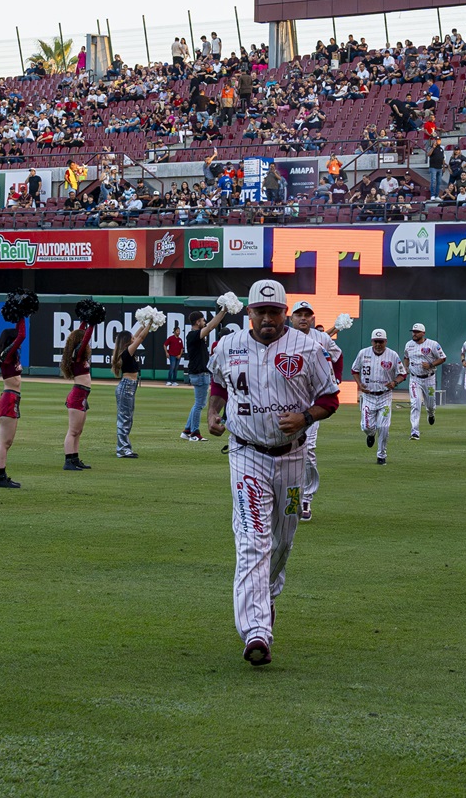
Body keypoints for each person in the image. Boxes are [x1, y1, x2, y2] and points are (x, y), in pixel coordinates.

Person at [205, 279, 339, 667]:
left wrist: (306, 416)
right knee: (253, 539)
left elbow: (329, 398)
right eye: (259, 311)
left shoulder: (308, 348)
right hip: (246, 454)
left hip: (295, 459)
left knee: (283, 539)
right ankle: (256, 631)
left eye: (274, 311)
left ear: (284, 314)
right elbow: (218, 382)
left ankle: (267, 597)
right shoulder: (228, 345)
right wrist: (214, 412)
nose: (267, 318)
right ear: (249, 313)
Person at [287, 301, 342, 521]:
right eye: (298, 314)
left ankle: (306, 499)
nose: (303, 318)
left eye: (306, 314)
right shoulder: (283, 337)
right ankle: (291, 499)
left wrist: (335, 379)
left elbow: (337, 356)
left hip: (312, 404)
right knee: (286, 453)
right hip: (287, 402)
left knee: (307, 452)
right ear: (291, 318)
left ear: (312, 318)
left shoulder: (322, 339)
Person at [0, 290, 33, 490]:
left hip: (12, 399)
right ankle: (0, 477)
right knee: (5, 441)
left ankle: (2, 475)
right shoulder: (7, 355)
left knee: (7, 441)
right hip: (8, 399)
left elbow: (20, 337)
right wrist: (22, 314)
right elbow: (22, 335)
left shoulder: (11, 356)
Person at [351, 329, 405, 465]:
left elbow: (402, 373)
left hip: (384, 395)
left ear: (385, 341)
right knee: (366, 426)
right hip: (368, 395)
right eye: (376, 341)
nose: (378, 344)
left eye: (381, 342)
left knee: (384, 427)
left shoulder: (392, 355)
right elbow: (354, 370)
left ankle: (381, 455)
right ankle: (370, 434)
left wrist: (394, 382)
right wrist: (359, 384)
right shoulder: (363, 353)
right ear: (372, 341)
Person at [61, 301, 104, 470]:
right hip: (78, 395)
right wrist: (91, 324)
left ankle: (75, 458)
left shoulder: (81, 357)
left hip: (83, 396)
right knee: (73, 430)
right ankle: (68, 461)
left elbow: (81, 334)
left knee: (78, 431)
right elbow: (85, 338)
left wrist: (85, 320)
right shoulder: (77, 356)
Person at [182, 308, 226, 441]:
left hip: (198, 373)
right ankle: (194, 433)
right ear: (197, 322)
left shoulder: (193, 335)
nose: (204, 322)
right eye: (202, 320)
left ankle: (187, 430)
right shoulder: (193, 335)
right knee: (199, 405)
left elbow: (210, 326)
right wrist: (223, 311)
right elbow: (212, 326)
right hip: (199, 373)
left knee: (198, 403)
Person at [112, 318, 149, 459]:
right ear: (128, 341)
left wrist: (145, 323)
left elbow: (138, 334)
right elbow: (141, 337)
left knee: (127, 418)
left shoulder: (125, 351)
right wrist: (150, 324)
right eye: (131, 338)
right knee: (125, 419)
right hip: (127, 386)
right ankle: (122, 449)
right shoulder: (127, 352)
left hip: (128, 387)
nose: (134, 338)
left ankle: (124, 447)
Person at [403, 323, 445, 439]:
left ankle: (431, 413)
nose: (414, 334)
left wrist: (431, 364)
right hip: (414, 378)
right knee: (415, 403)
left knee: (430, 404)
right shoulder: (409, 344)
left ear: (423, 333)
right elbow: (406, 357)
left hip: (429, 378)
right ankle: (415, 431)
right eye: (413, 331)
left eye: (417, 332)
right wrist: (405, 368)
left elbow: (442, 357)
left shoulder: (433, 344)